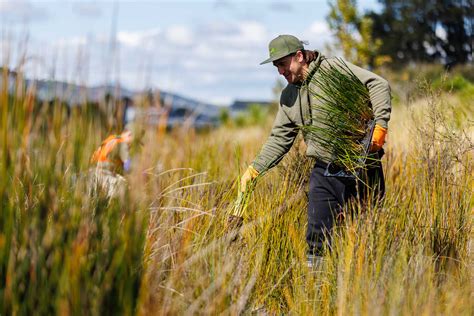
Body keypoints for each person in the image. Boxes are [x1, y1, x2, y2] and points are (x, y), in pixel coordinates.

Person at [240, 35, 391, 265]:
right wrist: (254, 169)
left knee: (368, 235)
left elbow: (378, 84)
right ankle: (318, 289)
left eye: (282, 64)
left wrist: (380, 125)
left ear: (299, 56)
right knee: (317, 236)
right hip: (325, 171)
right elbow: (280, 138)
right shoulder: (288, 97)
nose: (280, 71)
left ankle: (369, 288)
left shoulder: (333, 69)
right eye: (276, 66)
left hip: (362, 164)